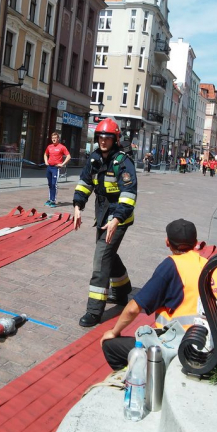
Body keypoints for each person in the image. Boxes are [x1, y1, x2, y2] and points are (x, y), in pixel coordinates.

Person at [100, 218, 217, 370]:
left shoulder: (171, 266)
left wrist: (114, 332)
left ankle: (138, 381)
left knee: (110, 346)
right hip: (211, 344)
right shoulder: (210, 266)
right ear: (196, 243)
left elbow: (133, 309)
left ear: (167, 242)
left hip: (178, 346)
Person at [73, 118, 137, 328]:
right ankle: (122, 290)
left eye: (107, 137)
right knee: (108, 253)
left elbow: (128, 195)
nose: (103, 141)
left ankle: (94, 311)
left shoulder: (123, 162)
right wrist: (77, 206)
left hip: (119, 216)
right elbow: (84, 184)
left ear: (115, 139)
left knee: (101, 258)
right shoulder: (94, 159)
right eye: (100, 137)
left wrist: (116, 220)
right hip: (102, 214)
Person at [44, 132, 71, 208]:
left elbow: (68, 156)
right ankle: (50, 199)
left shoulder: (62, 147)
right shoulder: (49, 147)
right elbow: (45, 154)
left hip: (56, 168)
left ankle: (53, 200)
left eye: (55, 138)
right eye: (52, 138)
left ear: (58, 138)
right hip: (49, 167)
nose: (54, 139)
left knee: (54, 184)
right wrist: (46, 161)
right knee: (49, 184)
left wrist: (63, 164)